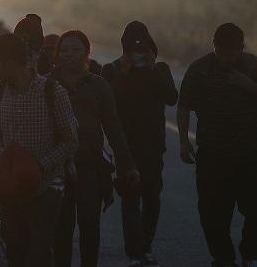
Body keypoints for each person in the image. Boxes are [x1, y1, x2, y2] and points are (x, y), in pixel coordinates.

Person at [0, 33, 78, 267]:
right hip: (11, 188)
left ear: (9, 62)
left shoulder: (52, 91)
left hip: (46, 187)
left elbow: (71, 140)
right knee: (15, 249)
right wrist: (7, 161)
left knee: (39, 252)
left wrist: (39, 165)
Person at [49, 30, 140, 267]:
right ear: (57, 54)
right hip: (56, 167)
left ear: (87, 53)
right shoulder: (46, 85)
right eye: (64, 50)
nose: (70, 54)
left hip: (90, 166)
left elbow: (113, 128)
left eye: (76, 49)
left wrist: (127, 165)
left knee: (90, 225)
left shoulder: (99, 85)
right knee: (61, 228)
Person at [178, 23, 257, 267]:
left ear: (241, 49)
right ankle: (223, 259)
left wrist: (249, 86)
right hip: (212, 154)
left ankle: (250, 253)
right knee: (212, 214)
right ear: (215, 47)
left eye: (233, 54)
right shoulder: (199, 70)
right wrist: (183, 141)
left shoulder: (253, 66)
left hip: (249, 154)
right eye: (223, 53)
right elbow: (184, 106)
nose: (228, 59)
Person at [101, 21, 178, 267]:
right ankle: (136, 253)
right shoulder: (111, 70)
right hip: (125, 146)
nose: (137, 55)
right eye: (132, 49)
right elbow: (107, 103)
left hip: (154, 146)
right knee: (131, 199)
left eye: (142, 49)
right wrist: (123, 74)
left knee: (152, 199)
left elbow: (171, 98)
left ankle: (146, 247)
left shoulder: (160, 69)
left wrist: (154, 71)